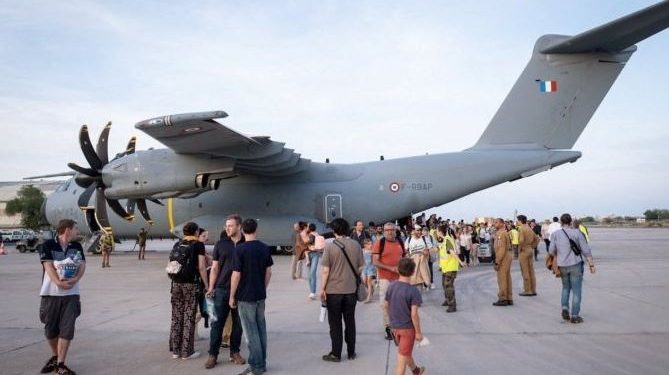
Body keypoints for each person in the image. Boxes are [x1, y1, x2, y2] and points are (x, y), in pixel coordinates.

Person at [38, 219, 86, 375]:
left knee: (67, 330)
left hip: (71, 295)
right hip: (51, 294)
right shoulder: (48, 245)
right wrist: (58, 282)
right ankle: (55, 356)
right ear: (67, 230)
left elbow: (82, 266)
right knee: (50, 331)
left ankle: (60, 364)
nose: (77, 231)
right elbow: (48, 266)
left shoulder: (77, 247)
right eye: (75, 228)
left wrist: (75, 279)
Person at [229, 219, 273, 375]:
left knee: (251, 332)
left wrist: (232, 295)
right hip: (260, 295)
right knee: (261, 329)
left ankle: (256, 365)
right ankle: (262, 361)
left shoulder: (240, 250)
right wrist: (263, 287)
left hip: (245, 296)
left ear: (242, 230)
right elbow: (268, 272)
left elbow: (236, 275)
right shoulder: (264, 248)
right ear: (256, 229)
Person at [319, 218, 364, 362]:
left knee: (335, 324)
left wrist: (322, 288)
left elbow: (325, 270)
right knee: (350, 321)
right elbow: (361, 267)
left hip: (334, 291)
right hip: (351, 290)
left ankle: (336, 353)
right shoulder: (356, 245)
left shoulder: (330, 247)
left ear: (334, 230)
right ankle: (351, 352)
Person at [205, 216, 246, 369]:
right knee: (217, 323)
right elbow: (214, 268)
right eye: (226, 226)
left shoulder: (246, 243)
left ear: (239, 226)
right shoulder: (221, 244)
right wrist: (211, 287)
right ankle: (213, 355)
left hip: (241, 291)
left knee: (238, 324)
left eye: (230, 226)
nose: (227, 228)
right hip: (222, 289)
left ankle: (234, 352)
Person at [170, 222, 209, 360]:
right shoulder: (198, 245)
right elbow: (202, 267)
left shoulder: (178, 244)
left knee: (176, 316)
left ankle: (175, 350)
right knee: (189, 316)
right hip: (190, 284)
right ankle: (187, 351)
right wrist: (207, 284)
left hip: (175, 284)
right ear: (196, 232)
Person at [549, 213, 596, 323]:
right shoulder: (577, 233)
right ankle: (575, 316)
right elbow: (586, 250)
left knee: (565, 288)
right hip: (575, 265)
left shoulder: (555, 234)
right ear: (570, 222)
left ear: (561, 222)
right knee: (576, 291)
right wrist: (591, 265)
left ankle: (565, 308)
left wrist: (560, 254)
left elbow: (551, 251)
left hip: (562, 265)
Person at [384, 258, 426, 375]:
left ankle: (416, 371)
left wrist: (391, 321)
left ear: (398, 270)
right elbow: (414, 314)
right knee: (401, 360)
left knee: (404, 352)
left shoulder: (391, 286)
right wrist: (418, 332)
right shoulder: (413, 291)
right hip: (407, 329)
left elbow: (385, 305)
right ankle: (415, 371)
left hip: (395, 327)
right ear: (413, 272)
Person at [372, 222, 406, 340]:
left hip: (399, 279)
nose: (390, 232)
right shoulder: (379, 243)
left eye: (392, 230)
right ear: (384, 231)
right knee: (385, 305)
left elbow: (404, 258)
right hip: (385, 279)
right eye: (387, 230)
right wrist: (391, 268)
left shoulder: (400, 242)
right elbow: (375, 262)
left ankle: (399, 327)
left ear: (395, 230)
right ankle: (388, 328)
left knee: (399, 305)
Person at [437, 226, 464, 313]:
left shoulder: (447, 240)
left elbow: (452, 252)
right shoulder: (443, 240)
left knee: (448, 286)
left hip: (450, 267)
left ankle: (452, 305)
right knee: (444, 284)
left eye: (437, 231)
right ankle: (447, 299)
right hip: (446, 267)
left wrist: (460, 261)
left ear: (440, 232)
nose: (436, 232)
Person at [492, 218, 513, 306]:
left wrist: (497, 262)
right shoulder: (503, 233)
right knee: (507, 278)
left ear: (502, 224)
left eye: (496, 222)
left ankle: (503, 298)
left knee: (502, 278)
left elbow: (501, 249)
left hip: (503, 257)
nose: (494, 224)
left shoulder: (501, 234)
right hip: (506, 256)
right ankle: (509, 298)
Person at [517, 215, 539, 297]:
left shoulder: (521, 229)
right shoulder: (529, 228)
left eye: (517, 220)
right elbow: (537, 239)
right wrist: (532, 246)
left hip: (524, 251)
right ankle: (533, 289)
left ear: (520, 221)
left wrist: (520, 249)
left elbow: (521, 240)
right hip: (530, 250)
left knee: (525, 271)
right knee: (531, 271)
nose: (517, 222)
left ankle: (527, 290)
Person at [404, 225, 431, 290]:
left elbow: (431, 249)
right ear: (413, 231)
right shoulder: (409, 239)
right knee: (414, 285)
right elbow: (406, 251)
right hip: (413, 266)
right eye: (417, 230)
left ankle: (427, 284)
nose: (419, 232)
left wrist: (426, 252)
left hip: (423, 264)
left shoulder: (425, 239)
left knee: (422, 283)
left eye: (420, 230)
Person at [307, 223, 325, 300]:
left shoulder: (315, 236)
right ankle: (312, 291)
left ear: (309, 228)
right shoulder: (318, 236)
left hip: (311, 254)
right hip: (312, 254)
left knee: (311, 273)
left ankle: (312, 292)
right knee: (310, 274)